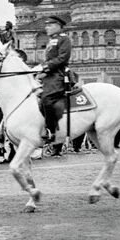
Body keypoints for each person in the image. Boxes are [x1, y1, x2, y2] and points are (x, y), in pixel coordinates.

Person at [33, 15, 72, 156]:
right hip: (49, 74)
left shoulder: (64, 39)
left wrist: (46, 67)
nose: (46, 28)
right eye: (46, 25)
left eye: (49, 25)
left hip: (58, 75)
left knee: (47, 99)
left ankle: (50, 130)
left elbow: (62, 58)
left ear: (58, 26)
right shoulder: (51, 41)